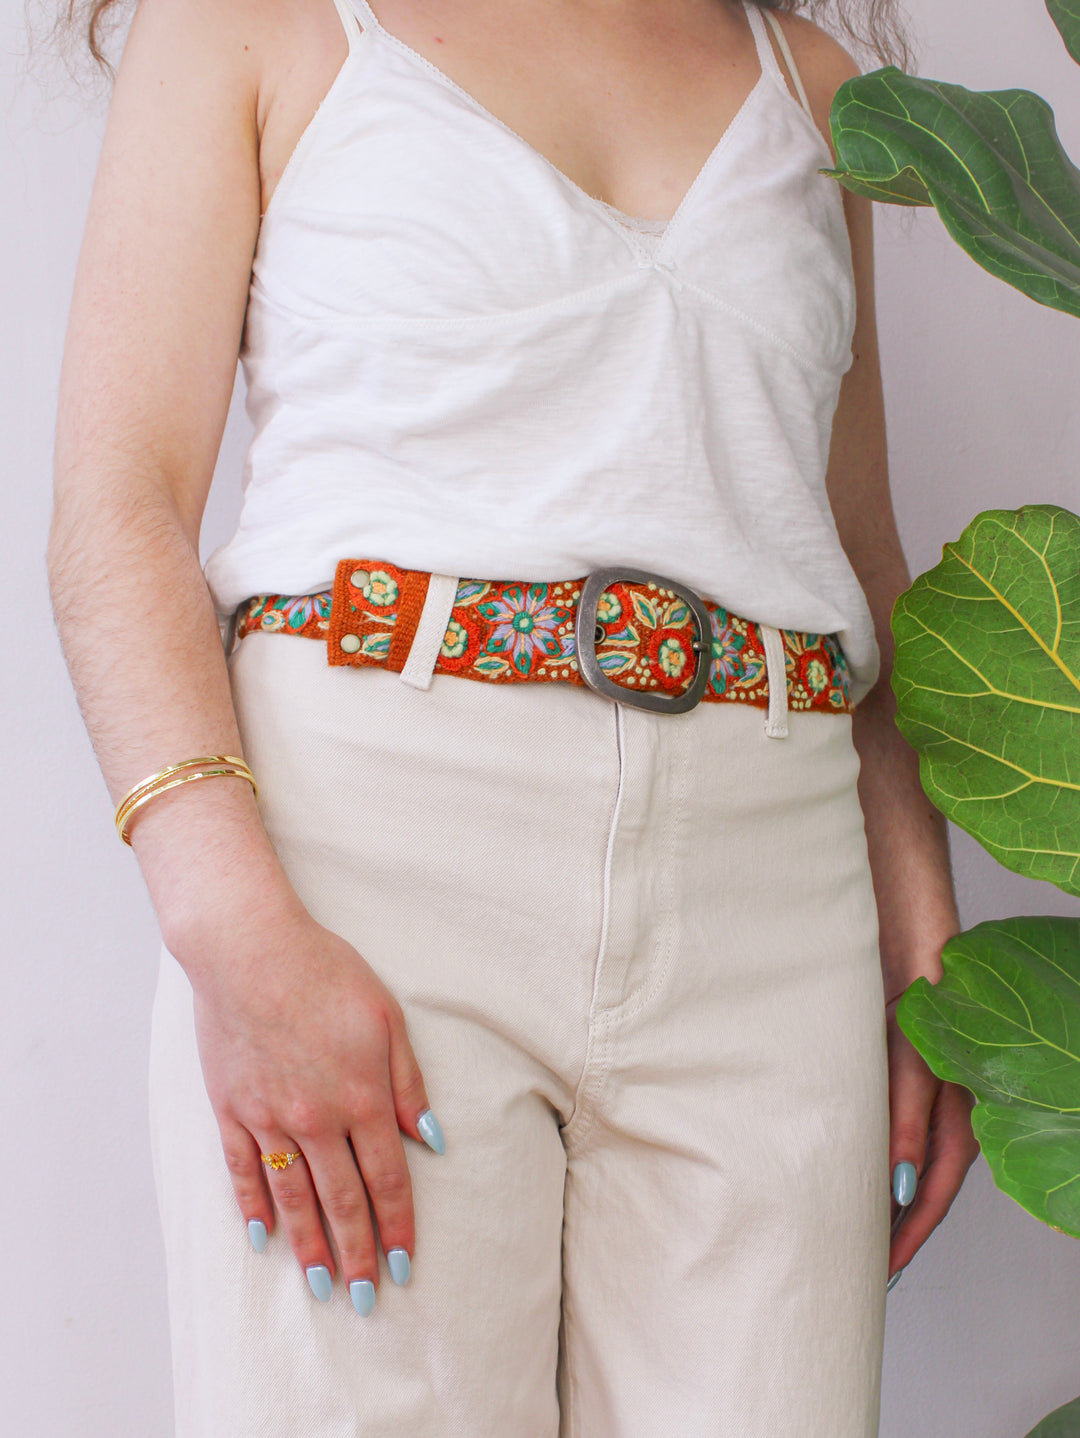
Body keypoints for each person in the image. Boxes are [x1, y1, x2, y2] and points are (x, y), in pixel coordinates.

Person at [48, 0, 980, 1430]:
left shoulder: (815, 87)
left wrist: (927, 934)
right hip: (365, 880)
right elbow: (119, 510)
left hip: (775, 907)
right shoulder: (255, 26)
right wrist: (229, 927)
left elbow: (858, 557)